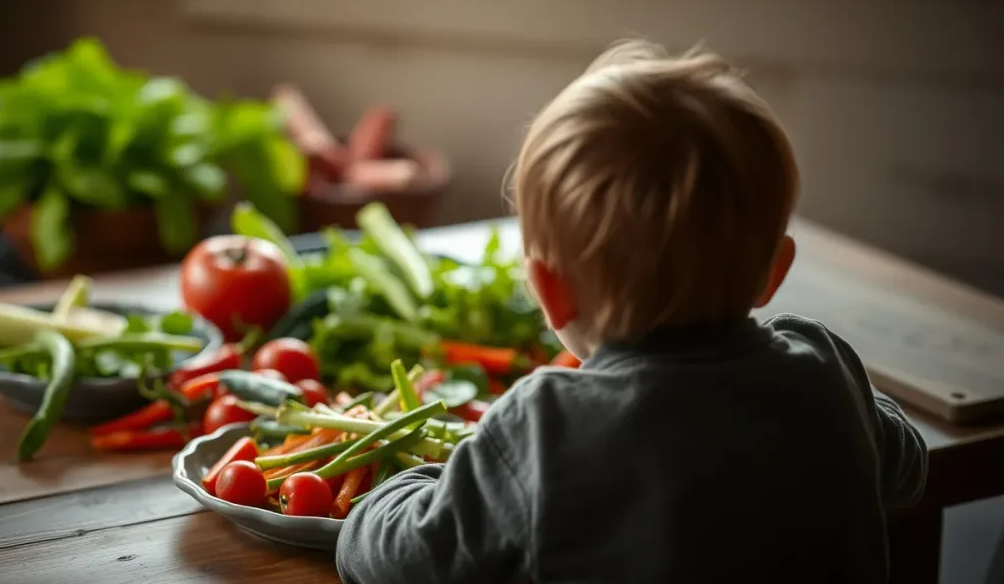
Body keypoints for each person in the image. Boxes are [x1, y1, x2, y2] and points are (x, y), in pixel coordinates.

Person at [334, 38, 928, 584]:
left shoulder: (542, 430)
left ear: (548, 287)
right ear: (775, 271)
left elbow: (397, 560)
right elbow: (908, 465)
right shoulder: (825, 372)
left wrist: (419, 481)